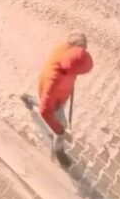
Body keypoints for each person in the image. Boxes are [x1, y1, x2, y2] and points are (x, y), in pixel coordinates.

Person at [37, 31, 93, 159]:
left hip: (56, 94)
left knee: (44, 101)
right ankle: (58, 151)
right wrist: (60, 130)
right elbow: (44, 110)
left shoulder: (64, 51)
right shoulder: (54, 79)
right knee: (61, 124)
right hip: (54, 96)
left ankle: (28, 99)